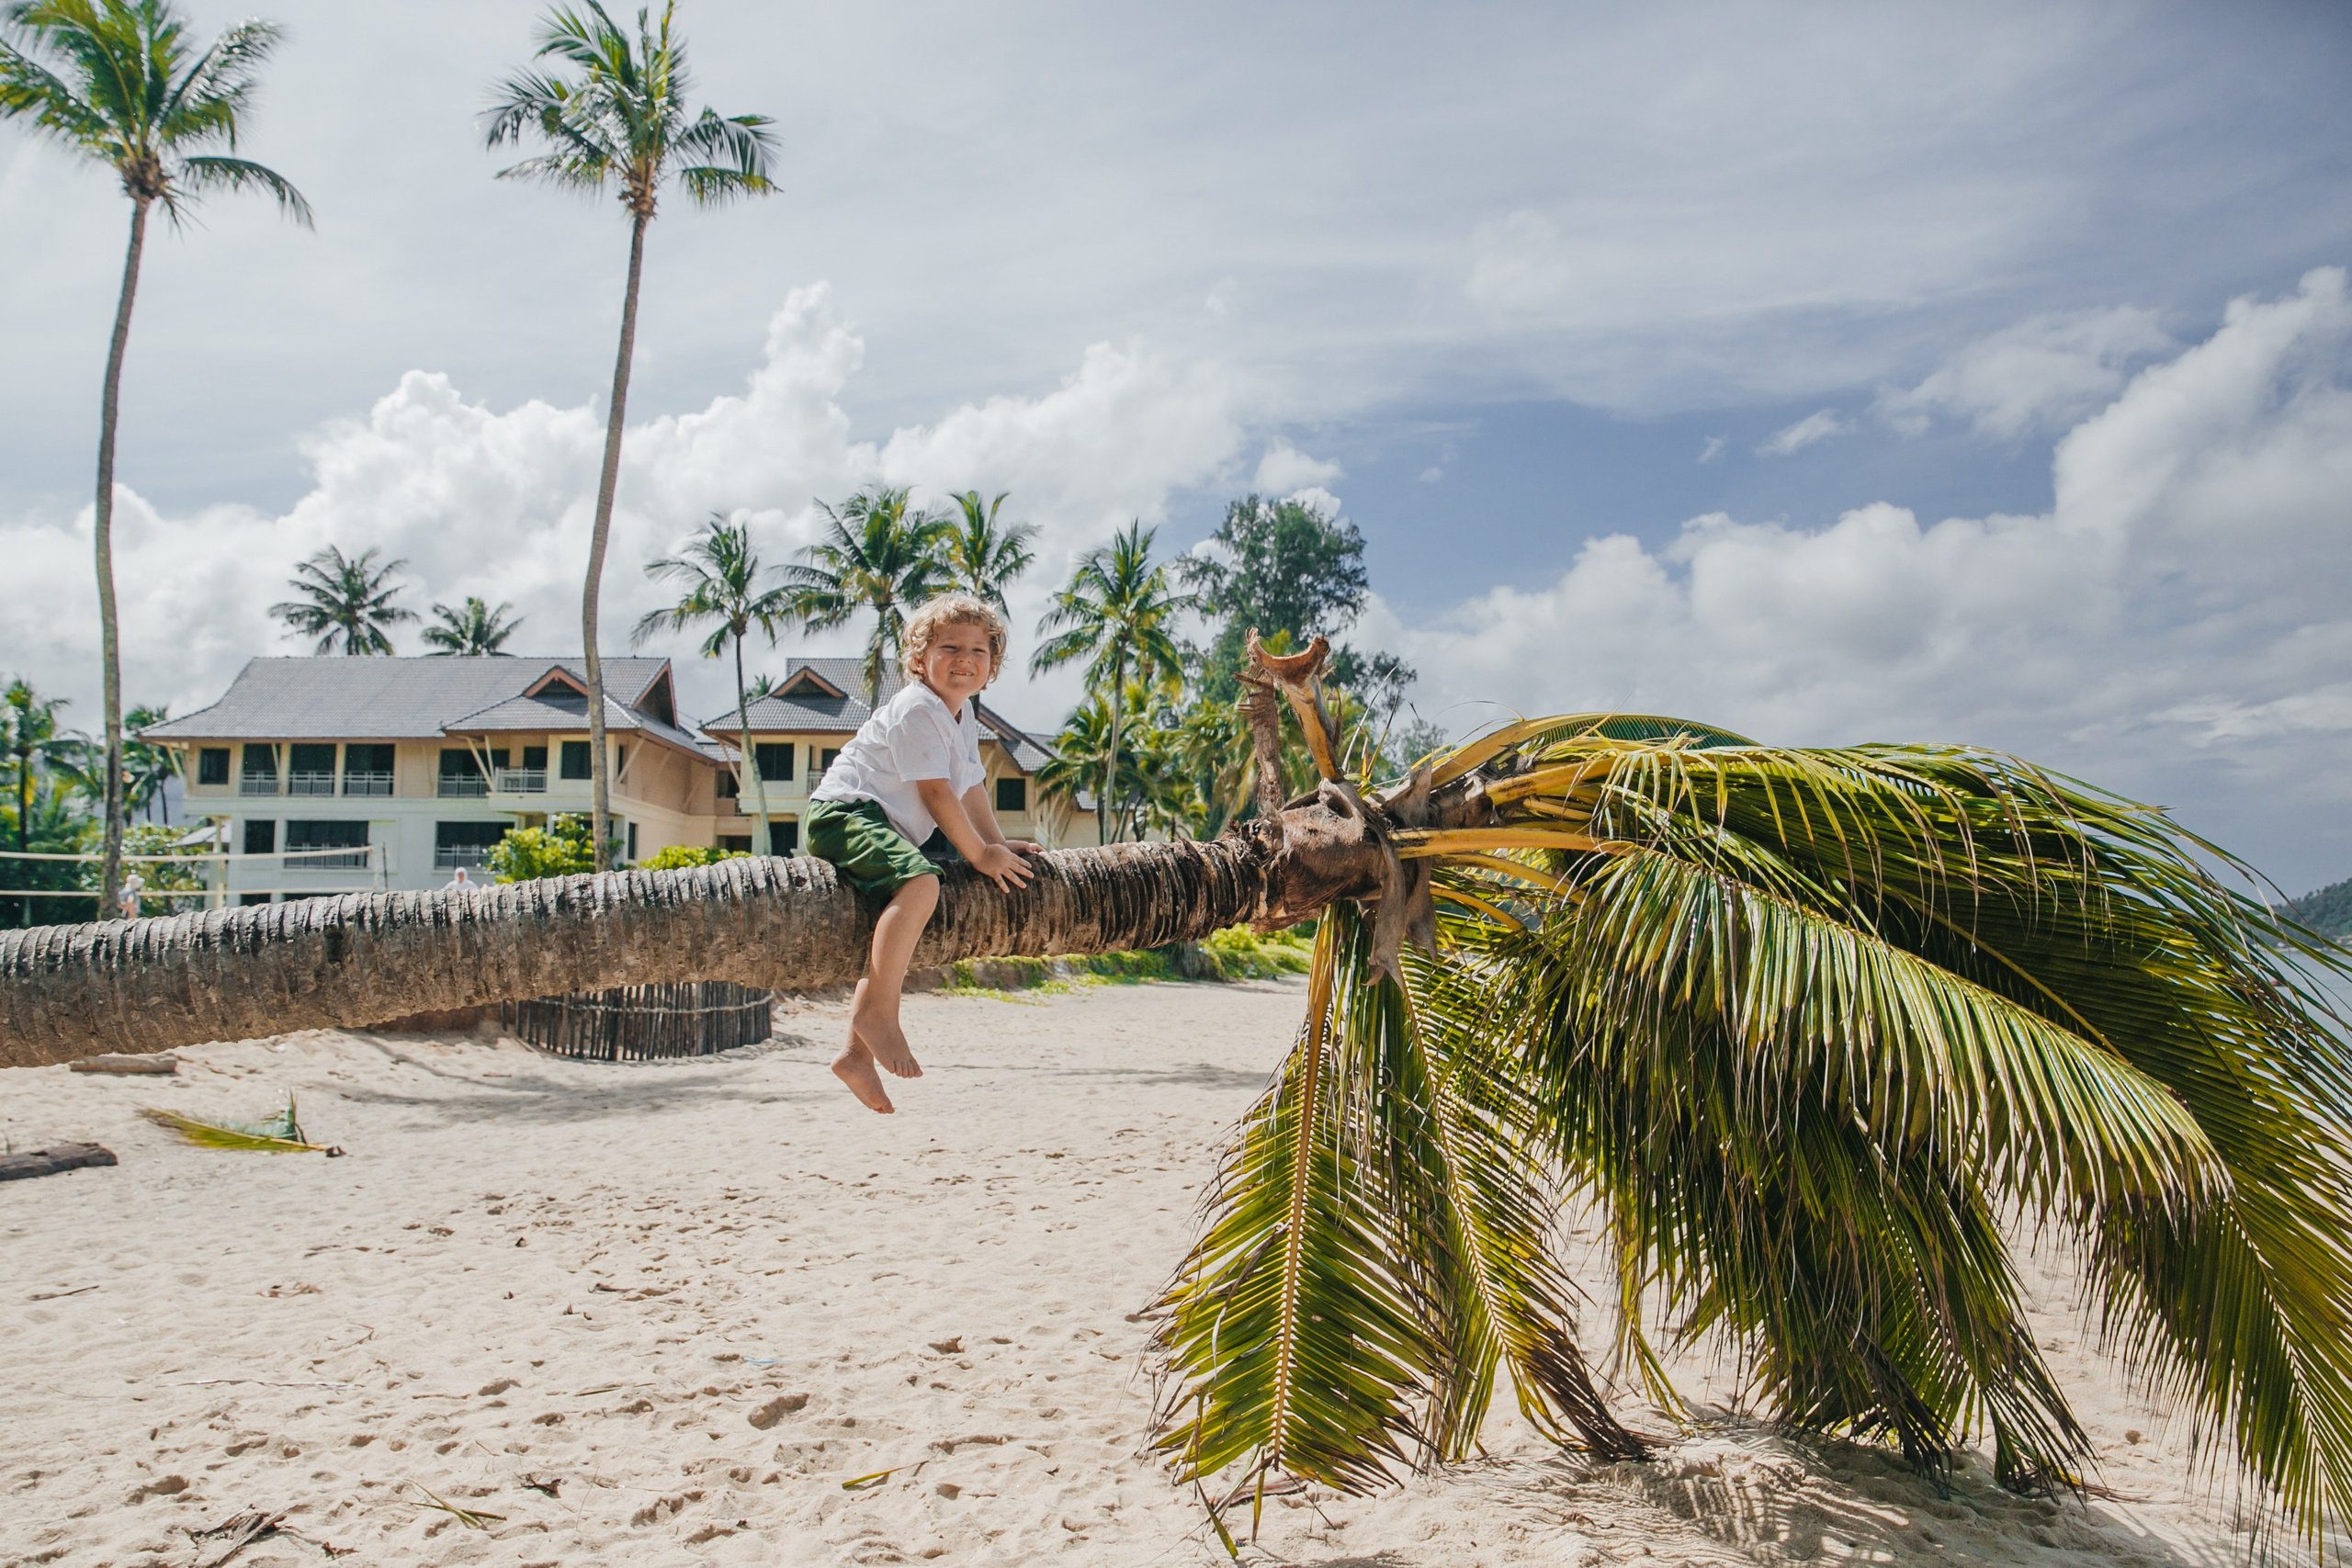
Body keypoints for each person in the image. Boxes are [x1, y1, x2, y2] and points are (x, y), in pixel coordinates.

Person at [807, 593, 1043, 1112]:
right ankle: (880, 1019)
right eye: (949, 647)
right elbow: (937, 793)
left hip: (878, 825)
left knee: (896, 922)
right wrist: (980, 857)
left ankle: (854, 1055)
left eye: (978, 650)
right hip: (845, 814)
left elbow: (970, 788)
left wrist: (997, 844)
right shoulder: (918, 707)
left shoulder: (959, 717)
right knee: (922, 883)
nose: (964, 658)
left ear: (992, 665)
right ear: (919, 660)